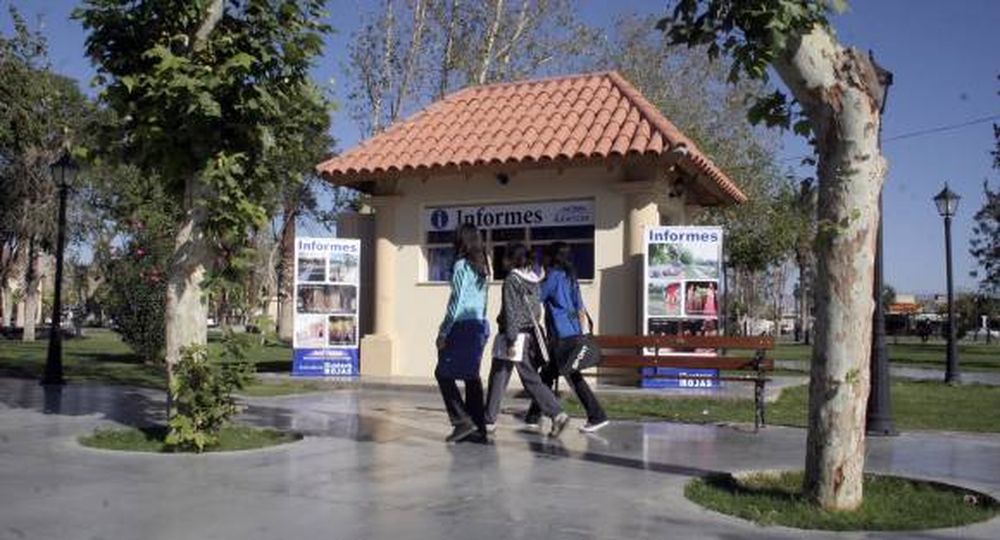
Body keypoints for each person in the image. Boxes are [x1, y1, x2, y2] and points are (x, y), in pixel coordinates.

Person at [484, 243, 571, 437]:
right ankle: (556, 414)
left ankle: (489, 421)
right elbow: (536, 311)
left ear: (511, 259)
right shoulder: (534, 279)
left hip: (512, 336)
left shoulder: (512, 280)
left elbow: (511, 311)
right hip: (529, 335)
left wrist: (510, 337)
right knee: (523, 378)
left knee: (500, 377)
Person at [528, 242, 609, 433]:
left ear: (552, 257)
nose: (543, 260)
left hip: (560, 337)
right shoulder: (570, 277)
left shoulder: (553, 277)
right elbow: (580, 307)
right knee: (547, 374)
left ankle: (597, 415)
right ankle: (533, 415)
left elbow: (536, 297)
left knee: (571, 376)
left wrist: (535, 277)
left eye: (545, 256)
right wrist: (583, 334)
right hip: (573, 333)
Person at [435, 223, 490, 443]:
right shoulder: (482, 266)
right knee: (471, 376)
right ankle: (479, 428)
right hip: (478, 325)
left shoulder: (461, 266)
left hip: (461, 327)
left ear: (461, 241)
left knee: (442, 373)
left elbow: (456, 302)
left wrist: (444, 331)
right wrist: (484, 327)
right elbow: (484, 300)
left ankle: (461, 421)